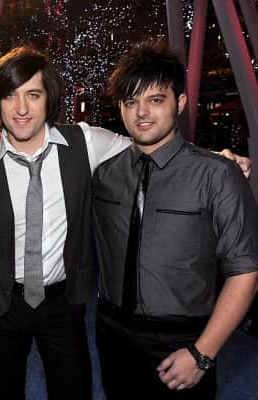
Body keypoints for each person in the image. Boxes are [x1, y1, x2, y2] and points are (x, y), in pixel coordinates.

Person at [92, 39, 258, 399]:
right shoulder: (104, 175)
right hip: (111, 332)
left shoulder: (217, 175)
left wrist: (202, 353)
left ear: (179, 103)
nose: (142, 113)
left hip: (184, 339)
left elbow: (245, 272)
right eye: (131, 101)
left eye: (155, 99)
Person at [0, 45, 133, 400]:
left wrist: (217, 159)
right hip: (2, 303)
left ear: (49, 98)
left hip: (63, 302)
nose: (21, 108)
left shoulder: (85, 142)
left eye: (33, 95)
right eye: (10, 96)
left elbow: (150, 145)